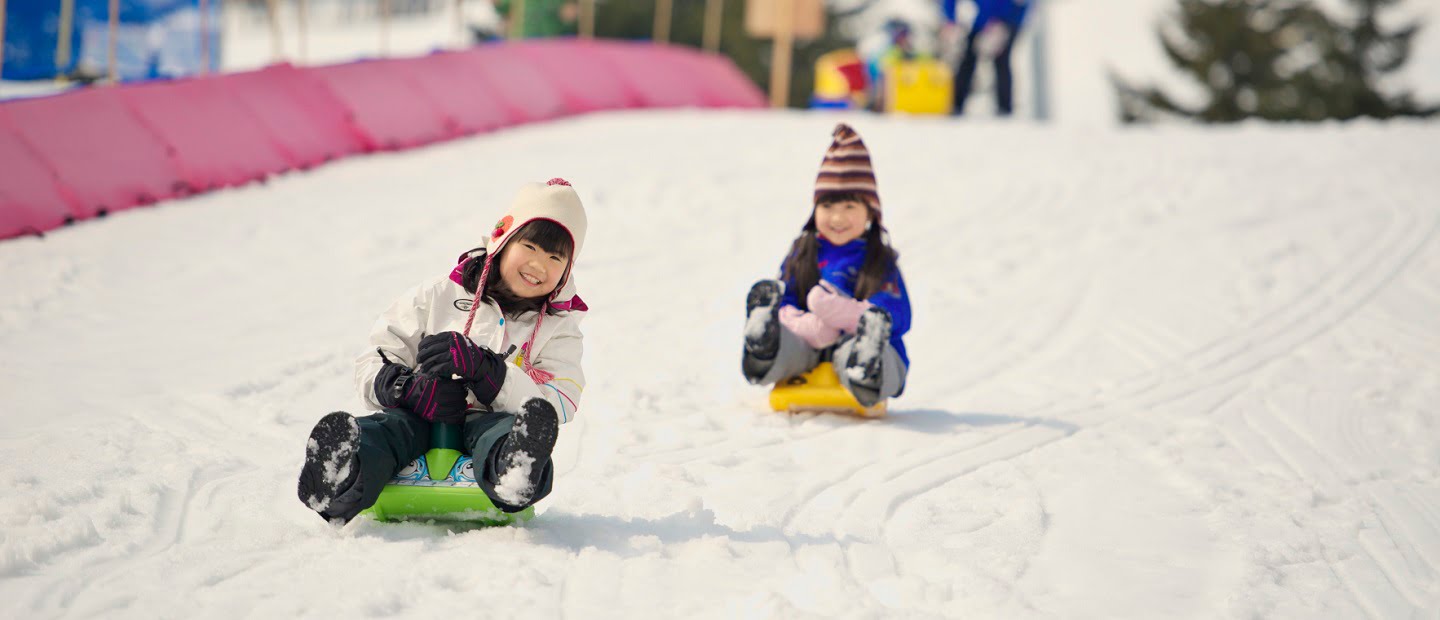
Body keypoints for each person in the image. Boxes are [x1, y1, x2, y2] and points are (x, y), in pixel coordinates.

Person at [297, 178, 588, 525]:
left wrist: (493, 376)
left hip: (491, 422)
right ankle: (340, 472)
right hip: (420, 416)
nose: (539, 265)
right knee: (388, 431)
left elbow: (560, 401)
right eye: (530, 246)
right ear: (503, 240)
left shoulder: (559, 328)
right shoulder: (436, 296)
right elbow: (375, 357)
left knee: (504, 432)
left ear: (567, 269)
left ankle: (515, 469)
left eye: (556, 256)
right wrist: (407, 388)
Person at [742, 124, 911, 408]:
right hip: (808, 346)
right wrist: (804, 324)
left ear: (870, 212)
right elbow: (788, 297)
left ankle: (868, 367)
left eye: (849, 208)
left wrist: (853, 316)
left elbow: (897, 313)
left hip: (855, 341)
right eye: (827, 207)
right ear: (814, 209)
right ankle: (764, 350)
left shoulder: (878, 258)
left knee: (867, 352)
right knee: (789, 343)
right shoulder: (803, 251)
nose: (837, 218)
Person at [943, 0, 1030, 116]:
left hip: (1010, 18)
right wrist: (951, 20)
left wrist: (999, 23)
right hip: (983, 19)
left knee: (1001, 59)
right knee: (968, 58)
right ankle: (956, 105)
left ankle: (1005, 108)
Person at [493, 0, 578, 39]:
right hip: (523, 39)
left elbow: (575, 16)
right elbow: (502, 6)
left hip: (551, 41)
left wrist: (572, 13)